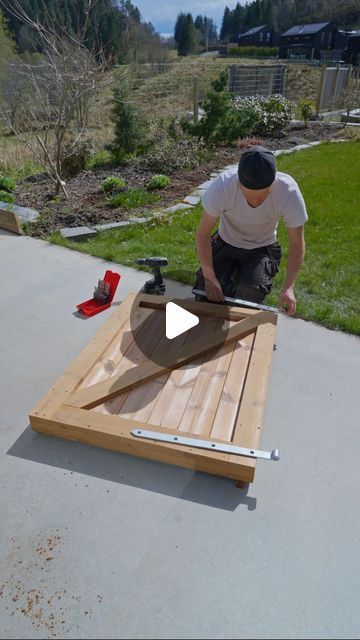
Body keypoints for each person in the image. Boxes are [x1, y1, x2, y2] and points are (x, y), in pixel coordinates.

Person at [194, 145, 308, 316]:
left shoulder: (288, 192)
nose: (255, 201)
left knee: (249, 294)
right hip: (225, 241)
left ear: (274, 182)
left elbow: (297, 244)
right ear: (239, 181)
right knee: (204, 293)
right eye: (249, 195)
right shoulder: (224, 185)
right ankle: (227, 281)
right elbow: (202, 234)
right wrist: (209, 276)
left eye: (262, 196)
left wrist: (289, 287)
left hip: (262, 247)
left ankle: (240, 283)